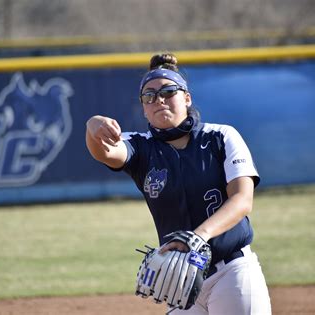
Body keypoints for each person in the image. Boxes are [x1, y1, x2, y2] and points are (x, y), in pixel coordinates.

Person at [85, 52, 272, 315]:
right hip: (183, 280)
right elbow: (104, 151)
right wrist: (93, 125)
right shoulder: (140, 147)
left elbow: (242, 200)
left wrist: (199, 236)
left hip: (232, 271)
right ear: (143, 108)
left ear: (186, 97)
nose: (158, 100)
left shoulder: (221, 137)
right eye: (148, 96)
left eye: (168, 92)